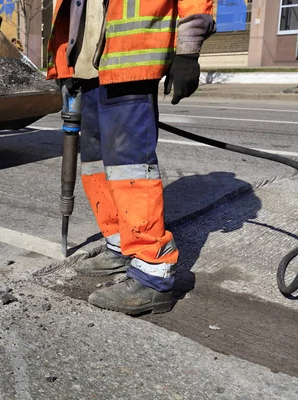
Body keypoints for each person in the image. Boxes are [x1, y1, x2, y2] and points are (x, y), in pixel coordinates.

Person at [46, 0, 216, 314]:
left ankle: (153, 274)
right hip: (85, 65)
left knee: (130, 166)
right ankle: (118, 243)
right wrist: (64, 62)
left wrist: (188, 48)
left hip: (129, 58)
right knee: (97, 162)